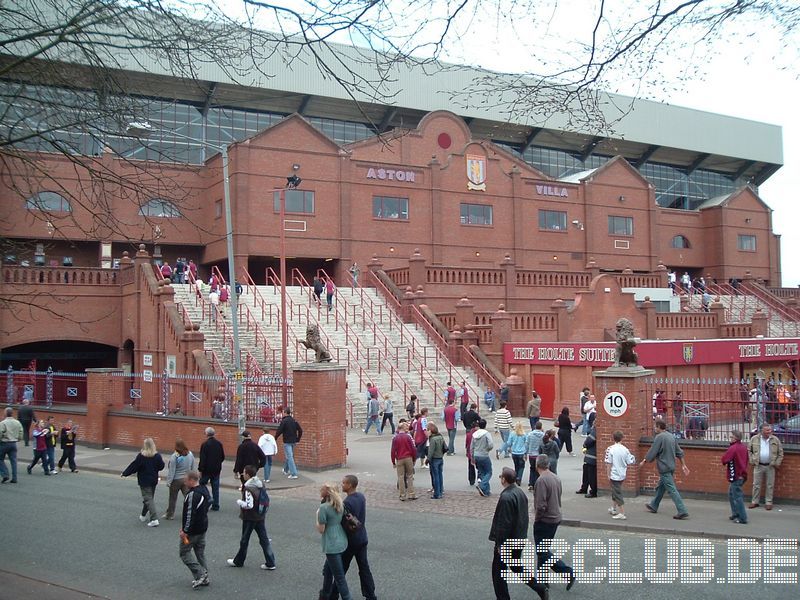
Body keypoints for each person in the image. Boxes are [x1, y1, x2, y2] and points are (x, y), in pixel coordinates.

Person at [489, 466, 549, 600]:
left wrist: (500, 544)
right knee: (516, 567)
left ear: (504, 479)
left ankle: (503, 598)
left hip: (507, 542)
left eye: (501, 477)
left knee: (498, 573)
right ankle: (539, 587)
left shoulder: (506, 497)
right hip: (519, 538)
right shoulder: (520, 493)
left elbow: (503, 524)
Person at [533, 455, 577, 591]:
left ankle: (567, 572)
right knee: (543, 550)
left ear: (537, 465)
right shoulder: (555, 477)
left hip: (545, 520)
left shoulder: (541, 481)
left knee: (542, 552)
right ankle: (542, 580)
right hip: (556, 517)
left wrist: (537, 518)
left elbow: (541, 505)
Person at [330, 475, 376, 600]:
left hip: (351, 541)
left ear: (350, 485)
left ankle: (333, 594)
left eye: (344, 483)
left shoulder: (347, 503)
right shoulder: (361, 497)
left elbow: (344, 524)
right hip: (362, 538)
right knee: (364, 568)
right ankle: (371, 595)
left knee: (341, 570)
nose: (342, 484)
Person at [227, 464, 277, 570]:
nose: (243, 474)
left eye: (244, 472)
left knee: (244, 540)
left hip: (250, 517)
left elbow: (249, 505)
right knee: (264, 539)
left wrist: (240, 502)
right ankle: (271, 562)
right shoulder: (259, 484)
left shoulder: (248, 488)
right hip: (260, 515)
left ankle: (239, 561)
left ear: (248, 474)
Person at [640, 419, 690, 519]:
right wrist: (683, 465)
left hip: (664, 467)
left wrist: (644, 461)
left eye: (655, 427)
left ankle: (682, 510)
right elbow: (679, 452)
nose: (654, 428)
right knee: (661, 487)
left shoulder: (659, 437)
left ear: (659, 427)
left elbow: (653, 451)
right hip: (671, 466)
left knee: (672, 489)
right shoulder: (671, 436)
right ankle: (654, 505)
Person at [316, 483, 352, 600]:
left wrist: (317, 517)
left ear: (325, 493)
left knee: (339, 578)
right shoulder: (339, 504)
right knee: (327, 570)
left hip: (331, 544)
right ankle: (325, 594)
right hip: (342, 540)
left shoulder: (323, 508)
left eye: (321, 490)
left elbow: (321, 529)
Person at [121, 437, 165, 527]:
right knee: (149, 498)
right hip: (153, 480)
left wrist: (125, 473)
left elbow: (134, 466)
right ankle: (143, 515)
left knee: (148, 499)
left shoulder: (141, 456)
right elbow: (161, 466)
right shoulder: (157, 456)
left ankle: (154, 519)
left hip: (144, 481)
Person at [180, 470, 211, 589]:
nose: (184, 481)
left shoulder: (193, 494)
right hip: (202, 528)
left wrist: (185, 531)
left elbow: (189, 514)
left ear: (192, 480)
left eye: (186, 479)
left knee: (184, 553)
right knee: (200, 553)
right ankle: (205, 576)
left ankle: (200, 575)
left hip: (193, 531)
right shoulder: (204, 490)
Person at [748, 423, 784, 510]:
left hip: (770, 466)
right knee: (756, 485)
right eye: (767, 430)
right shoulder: (754, 439)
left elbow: (780, 453)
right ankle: (755, 502)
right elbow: (749, 450)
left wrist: (777, 463)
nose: (770, 431)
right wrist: (752, 460)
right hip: (758, 465)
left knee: (770, 485)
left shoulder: (775, 439)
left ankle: (768, 502)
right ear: (762, 431)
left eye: (770, 430)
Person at [604, 430, 636, 520]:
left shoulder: (610, 449)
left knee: (617, 493)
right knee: (615, 491)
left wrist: (608, 474)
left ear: (613, 438)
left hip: (614, 474)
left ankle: (622, 512)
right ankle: (613, 508)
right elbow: (631, 461)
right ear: (622, 438)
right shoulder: (625, 449)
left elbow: (608, 463)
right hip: (622, 474)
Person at [164, 438, 196, 520]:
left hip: (176, 480)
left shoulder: (175, 456)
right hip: (186, 479)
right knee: (188, 497)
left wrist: (169, 481)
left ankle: (170, 514)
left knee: (173, 498)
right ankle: (192, 513)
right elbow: (192, 466)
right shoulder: (190, 454)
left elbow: (172, 470)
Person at [721, 431, 749, 524]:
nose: (730, 438)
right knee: (731, 494)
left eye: (731, 437)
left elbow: (725, 459)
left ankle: (742, 517)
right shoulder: (744, 447)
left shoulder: (733, 448)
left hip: (736, 475)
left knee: (737, 496)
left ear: (735, 438)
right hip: (742, 474)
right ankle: (736, 513)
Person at [199, 426, 225, 511]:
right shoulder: (219, 444)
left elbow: (203, 458)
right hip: (216, 469)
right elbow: (222, 457)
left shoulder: (205, 444)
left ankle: (208, 497)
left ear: (206, 434)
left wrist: (200, 469)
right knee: (215, 487)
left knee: (202, 484)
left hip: (207, 469)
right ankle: (216, 505)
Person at [390, 421, 417, 501]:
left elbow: (393, 451)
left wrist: (393, 461)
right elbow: (413, 449)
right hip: (408, 458)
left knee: (401, 477)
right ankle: (411, 494)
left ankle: (402, 495)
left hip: (399, 459)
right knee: (410, 476)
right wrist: (414, 459)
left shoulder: (395, 438)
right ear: (402, 428)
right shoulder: (408, 437)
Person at [275, 407, 303, 479]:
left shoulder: (284, 421)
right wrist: (298, 439)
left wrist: (275, 438)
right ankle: (285, 470)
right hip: (293, 441)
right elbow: (300, 430)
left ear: (285, 413)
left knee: (290, 457)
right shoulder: (294, 420)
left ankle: (294, 474)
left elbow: (279, 431)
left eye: (283, 412)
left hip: (287, 441)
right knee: (289, 456)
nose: (282, 414)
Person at [0, 407, 23, 483]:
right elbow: (21, 432)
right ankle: (14, 478)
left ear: (6, 413)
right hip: (13, 443)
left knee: (0, 459)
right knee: (13, 461)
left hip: (4, 443)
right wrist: (18, 439)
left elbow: (0, 433)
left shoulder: (3, 423)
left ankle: (5, 474)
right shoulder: (17, 422)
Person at [472, 418, 494, 497]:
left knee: (482, 472)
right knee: (489, 472)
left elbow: (472, 447)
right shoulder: (486, 433)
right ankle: (482, 485)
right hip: (484, 455)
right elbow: (491, 444)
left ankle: (486, 491)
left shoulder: (475, 434)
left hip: (476, 455)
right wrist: (487, 449)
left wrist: (472, 457)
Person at [501, 421, 528, 486]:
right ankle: (519, 478)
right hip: (521, 452)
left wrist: (510, 447)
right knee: (521, 466)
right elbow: (526, 444)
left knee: (516, 466)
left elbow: (509, 443)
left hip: (514, 453)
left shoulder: (512, 433)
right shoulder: (524, 434)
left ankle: (516, 477)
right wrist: (526, 452)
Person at [426, 422, 447, 499]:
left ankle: (437, 493)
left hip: (434, 459)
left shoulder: (433, 439)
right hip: (440, 458)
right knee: (440, 475)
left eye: (428, 430)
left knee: (435, 477)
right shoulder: (440, 437)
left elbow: (431, 451)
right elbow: (445, 447)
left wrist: (428, 459)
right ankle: (441, 491)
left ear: (431, 431)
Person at [576, 424, 597, 498]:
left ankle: (593, 491)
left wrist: (584, 445)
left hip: (591, 456)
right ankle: (584, 488)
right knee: (586, 474)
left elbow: (589, 440)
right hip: (591, 457)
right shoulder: (595, 429)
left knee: (591, 475)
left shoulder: (596, 430)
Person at [526, 421, 545, 490]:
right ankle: (537, 484)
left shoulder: (530, 434)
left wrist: (525, 453)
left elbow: (527, 444)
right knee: (538, 470)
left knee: (532, 469)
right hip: (539, 455)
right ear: (541, 427)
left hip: (531, 455)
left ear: (535, 427)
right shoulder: (543, 435)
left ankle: (531, 483)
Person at [466, 421, 478, 487]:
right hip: (478, 452)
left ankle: (471, 480)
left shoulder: (468, 434)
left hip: (470, 453)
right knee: (480, 467)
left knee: (471, 467)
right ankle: (479, 478)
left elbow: (467, 444)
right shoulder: (478, 434)